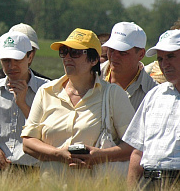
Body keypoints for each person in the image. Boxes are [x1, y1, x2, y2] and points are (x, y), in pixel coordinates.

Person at [21, 28, 135, 180]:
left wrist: (99, 156)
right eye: (64, 51)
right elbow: (28, 142)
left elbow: (133, 145)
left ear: (94, 60)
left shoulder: (113, 94)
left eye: (75, 52)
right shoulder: (46, 92)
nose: (67, 57)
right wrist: (58, 154)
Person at [0, 31, 49, 172]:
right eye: (6, 60)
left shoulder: (48, 90)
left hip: (36, 171)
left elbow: (50, 135)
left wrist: (22, 104)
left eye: (17, 59)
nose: (11, 66)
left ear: (30, 57)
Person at [123, 30, 180, 190]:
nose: (164, 64)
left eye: (170, 56)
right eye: (160, 59)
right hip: (149, 182)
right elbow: (137, 151)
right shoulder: (154, 95)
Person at [101, 22, 157, 110]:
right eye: (111, 50)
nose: (114, 56)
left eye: (122, 52)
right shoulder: (89, 77)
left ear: (141, 54)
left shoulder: (153, 92)